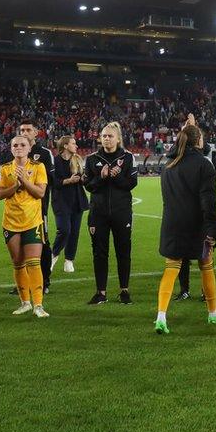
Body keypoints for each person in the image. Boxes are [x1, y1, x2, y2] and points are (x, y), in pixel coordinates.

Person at [154, 123, 216, 333]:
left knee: (171, 268)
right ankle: (213, 314)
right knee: (206, 265)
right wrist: (213, 230)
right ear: (199, 141)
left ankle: (161, 316)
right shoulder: (204, 165)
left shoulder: (167, 166)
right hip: (197, 227)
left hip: (171, 225)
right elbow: (208, 202)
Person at [83, 122, 137, 305]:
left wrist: (118, 176)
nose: (106, 138)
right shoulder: (91, 159)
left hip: (122, 212)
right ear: (100, 138)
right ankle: (101, 292)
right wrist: (102, 177)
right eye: (104, 135)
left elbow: (131, 184)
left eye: (110, 136)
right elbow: (88, 185)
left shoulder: (128, 157)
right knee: (99, 253)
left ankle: (124, 291)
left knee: (123, 251)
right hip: (98, 213)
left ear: (118, 138)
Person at [0, 135, 50, 317]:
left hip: (32, 221)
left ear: (29, 149)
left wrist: (25, 182)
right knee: (18, 263)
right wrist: (15, 185)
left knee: (34, 263)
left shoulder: (38, 167)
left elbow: (40, 193)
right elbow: (0, 194)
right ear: (11, 149)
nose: (18, 147)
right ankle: (25, 303)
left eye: (22, 145)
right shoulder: (5, 169)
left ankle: (38, 305)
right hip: (11, 222)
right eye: (15, 145)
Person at [18, 120, 55, 292]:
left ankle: (45, 281)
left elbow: (51, 181)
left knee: (43, 243)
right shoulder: (15, 152)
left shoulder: (44, 154)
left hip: (39, 209)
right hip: (17, 210)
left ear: (36, 133)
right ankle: (23, 282)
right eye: (22, 130)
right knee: (19, 245)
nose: (24, 132)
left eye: (28, 130)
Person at [51, 135, 89, 273]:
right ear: (65, 146)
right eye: (73, 143)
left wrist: (84, 178)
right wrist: (68, 181)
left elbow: (83, 180)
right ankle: (53, 255)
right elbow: (53, 183)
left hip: (77, 200)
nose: (76, 146)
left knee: (74, 232)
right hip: (61, 201)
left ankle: (69, 260)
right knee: (64, 230)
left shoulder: (77, 159)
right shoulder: (54, 161)